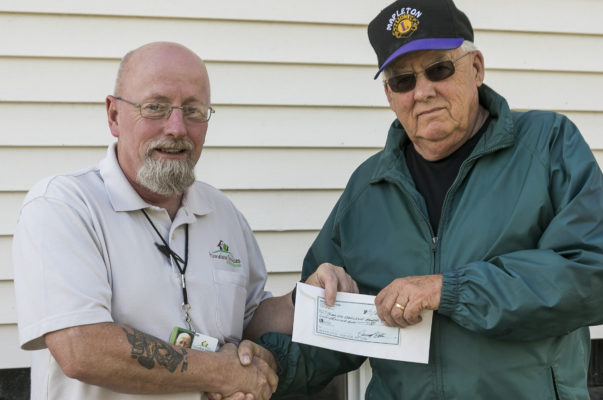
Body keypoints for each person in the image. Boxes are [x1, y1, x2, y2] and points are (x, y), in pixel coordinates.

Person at [244, 0, 603, 399]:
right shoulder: (367, 189)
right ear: (389, 94)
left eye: (439, 69)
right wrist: (265, 367)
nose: (423, 91)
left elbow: (593, 271)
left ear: (476, 68)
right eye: (403, 80)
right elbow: (333, 333)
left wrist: (450, 290)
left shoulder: (548, 144)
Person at [12, 41, 357, 400]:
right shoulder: (64, 206)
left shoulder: (223, 214)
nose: (177, 127)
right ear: (114, 116)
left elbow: (248, 320)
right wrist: (221, 373)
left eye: (193, 111)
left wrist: (304, 299)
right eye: (155, 107)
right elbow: (81, 347)